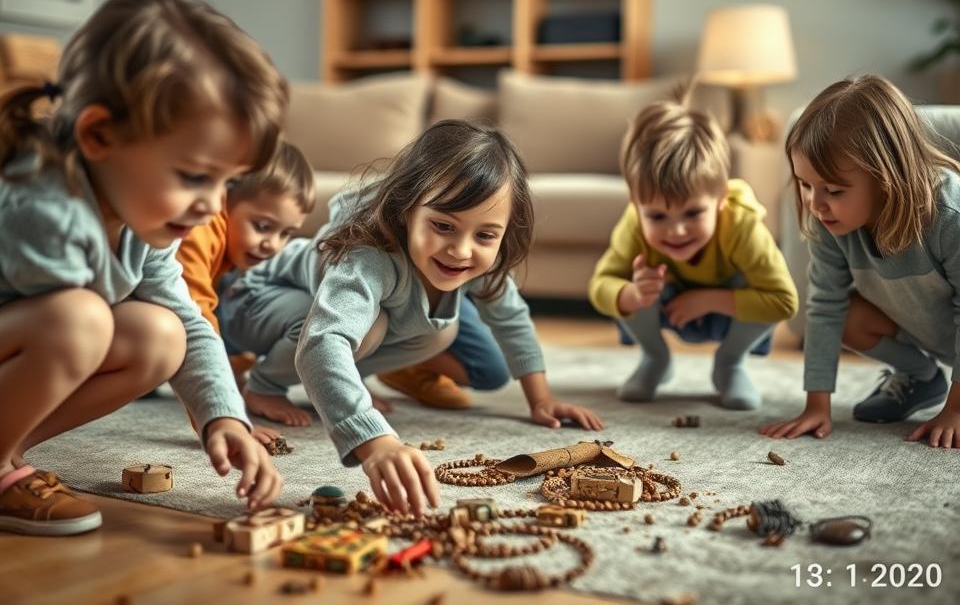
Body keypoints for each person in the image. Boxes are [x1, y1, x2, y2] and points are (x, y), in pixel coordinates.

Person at [0, 0, 287, 536]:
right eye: (195, 176)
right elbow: (67, 330)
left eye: (226, 183)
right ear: (98, 135)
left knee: (161, 335)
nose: (212, 206)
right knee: (79, 321)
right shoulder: (40, 207)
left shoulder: (140, 217)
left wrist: (223, 417)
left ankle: (8, 455)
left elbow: (186, 320)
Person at [220, 120, 603, 515]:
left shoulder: (482, 263)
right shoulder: (369, 256)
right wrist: (375, 442)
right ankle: (263, 384)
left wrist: (541, 399)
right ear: (406, 211)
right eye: (443, 226)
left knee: (441, 331)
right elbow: (323, 342)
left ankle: (342, 381)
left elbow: (512, 318)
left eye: (485, 235)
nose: (461, 250)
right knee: (363, 328)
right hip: (253, 297)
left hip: (308, 310)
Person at [761, 75, 959, 448]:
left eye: (834, 190)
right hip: (933, 330)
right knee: (844, 317)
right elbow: (825, 308)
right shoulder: (828, 219)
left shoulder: (950, 216)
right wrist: (816, 406)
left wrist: (956, 411)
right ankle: (921, 377)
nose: (815, 204)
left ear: (888, 178)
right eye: (805, 184)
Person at [589, 95, 798, 410]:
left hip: (726, 313)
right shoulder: (634, 224)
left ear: (721, 198)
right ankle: (655, 358)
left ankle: (730, 363)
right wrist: (633, 294)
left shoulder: (742, 225)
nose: (676, 231)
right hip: (667, 305)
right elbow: (599, 286)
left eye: (692, 213)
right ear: (635, 202)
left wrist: (709, 300)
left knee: (760, 290)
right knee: (630, 284)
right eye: (657, 216)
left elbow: (784, 301)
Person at [176, 140, 315, 441]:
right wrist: (224, 417)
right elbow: (194, 322)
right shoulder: (199, 231)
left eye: (286, 233)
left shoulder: (229, 249)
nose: (273, 244)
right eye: (263, 226)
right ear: (224, 199)